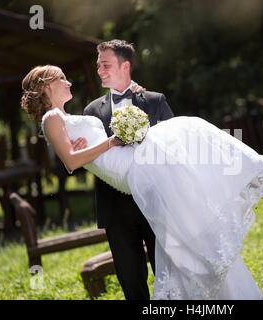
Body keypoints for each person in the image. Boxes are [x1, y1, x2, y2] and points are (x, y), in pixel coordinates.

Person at [20, 64, 263, 300]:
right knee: (188, 129)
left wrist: (98, 143)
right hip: (128, 169)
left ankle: (251, 184)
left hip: (128, 160)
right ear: (46, 87)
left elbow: (79, 151)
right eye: (62, 79)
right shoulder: (51, 117)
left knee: (189, 148)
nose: (68, 83)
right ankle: (251, 183)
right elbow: (71, 162)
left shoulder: (63, 118)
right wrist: (111, 141)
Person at [80, 40, 173, 300]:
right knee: (131, 282)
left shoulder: (155, 101)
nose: (99, 70)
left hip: (156, 203)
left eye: (105, 65)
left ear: (125, 66)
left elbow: (175, 149)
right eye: (98, 65)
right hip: (116, 208)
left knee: (168, 278)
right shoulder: (92, 112)